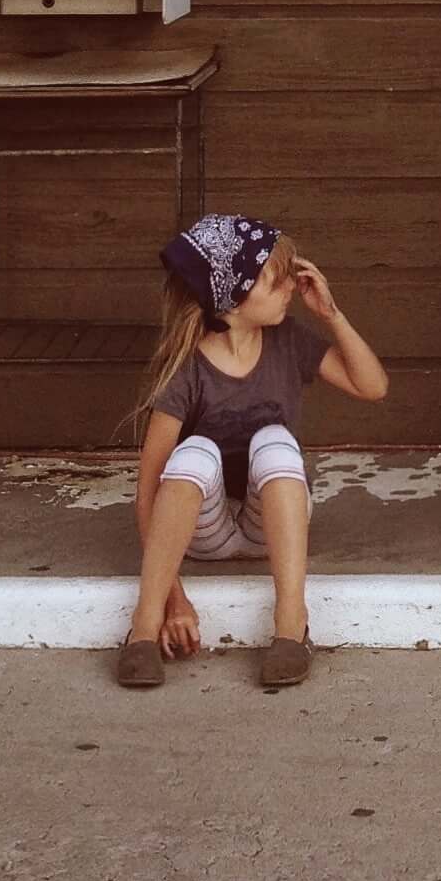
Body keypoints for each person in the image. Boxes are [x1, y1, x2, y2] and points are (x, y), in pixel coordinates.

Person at [118, 212, 388, 691]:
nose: (290, 286)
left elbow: (372, 386)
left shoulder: (288, 342)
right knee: (195, 451)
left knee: (275, 440)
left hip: (272, 527)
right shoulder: (187, 368)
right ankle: (142, 627)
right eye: (275, 279)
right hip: (205, 532)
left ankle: (290, 625)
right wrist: (173, 600)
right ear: (233, 296)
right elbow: (147, 494)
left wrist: (332, 314)